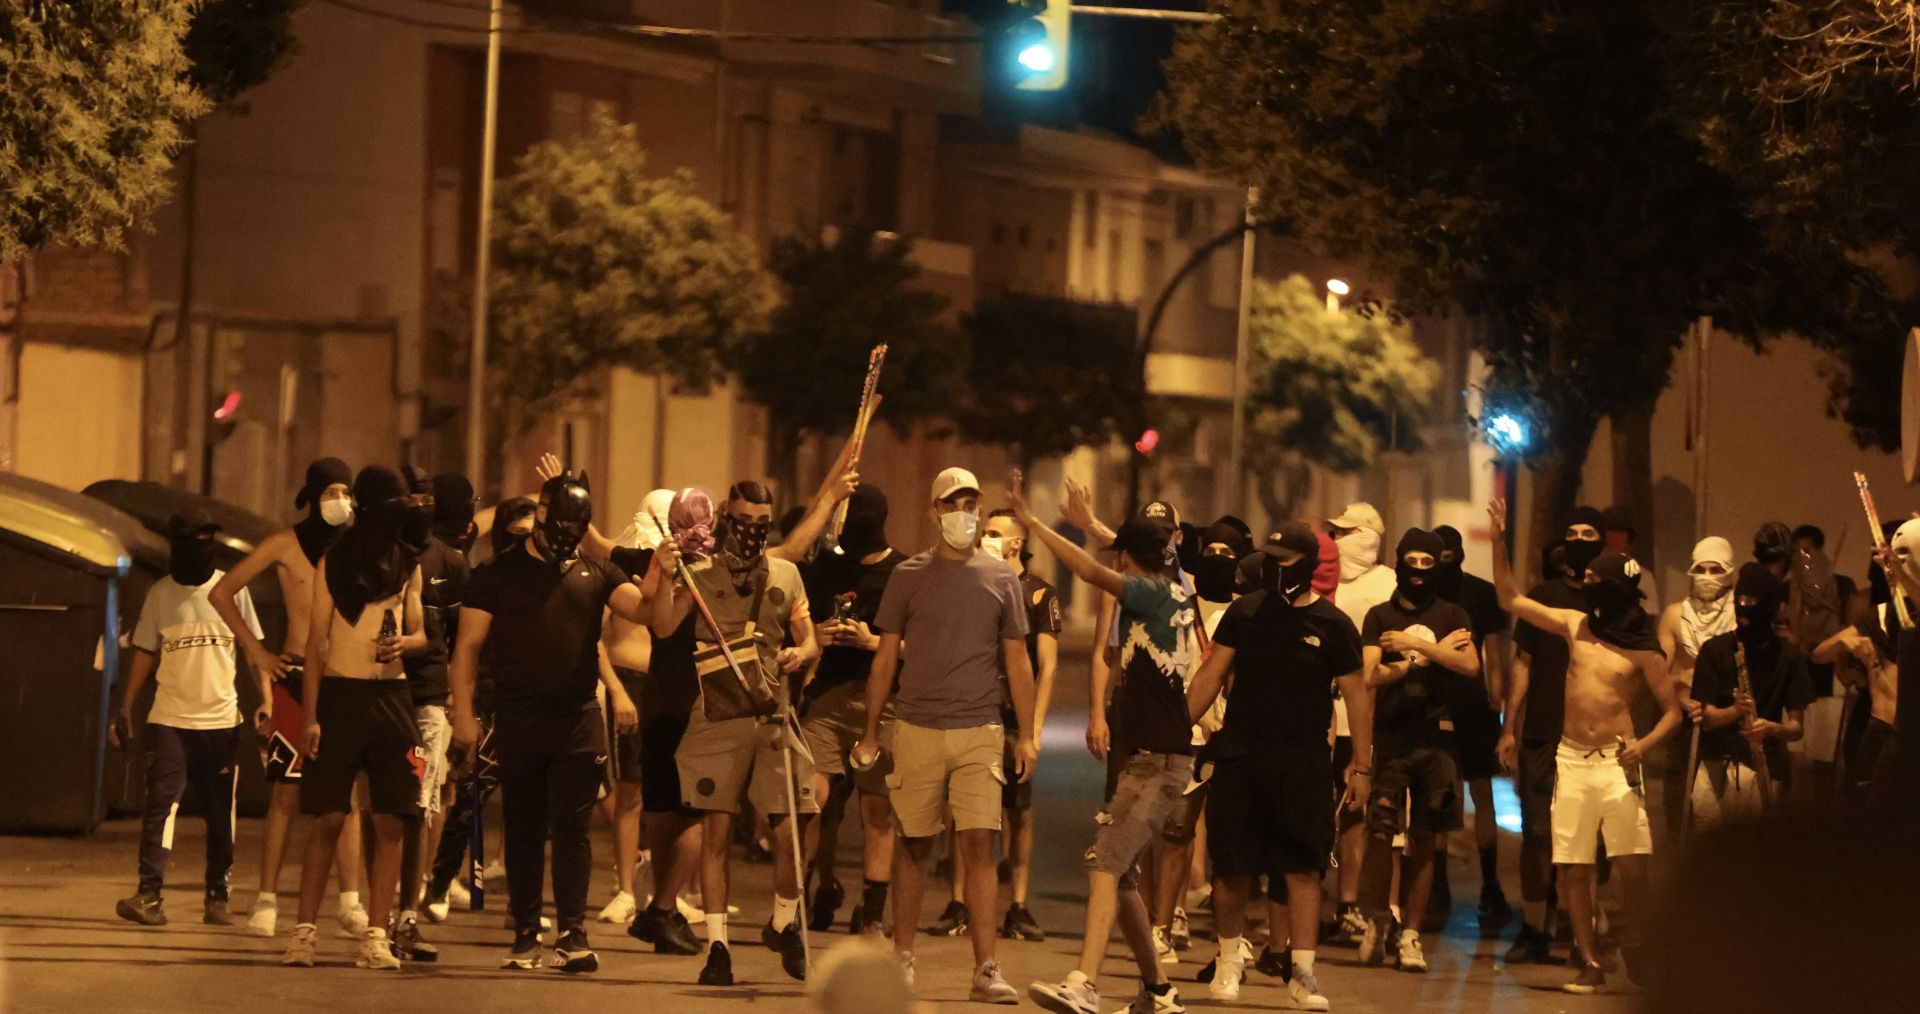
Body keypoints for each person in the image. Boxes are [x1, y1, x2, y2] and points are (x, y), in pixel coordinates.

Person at [449, 471, 653, 974]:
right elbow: (467, 651)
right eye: (562, 522)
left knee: (574, 827)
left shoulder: (596, 572)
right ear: (540, 515)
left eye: (579, 526)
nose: (569, 534)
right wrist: (464, 716)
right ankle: (524, 934)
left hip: (578, 718)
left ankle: (573, 934)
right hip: (519, 718)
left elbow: (648, 613)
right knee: (523, 827)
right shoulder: (496, 575)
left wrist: (663, 569)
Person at [850, 466, 1039, 1004]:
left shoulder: (1001, 577)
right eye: (954, 504)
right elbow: (886, 657)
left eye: (971, 504)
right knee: (914, 847)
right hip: (915, 727)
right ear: (935, 511)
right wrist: (870, 732)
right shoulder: (908, 576)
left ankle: (986, 968)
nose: (965, 514)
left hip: (979, 727)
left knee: (979, 844)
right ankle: (902, 958)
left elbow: (1018, 660)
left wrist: (1025, 734)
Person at [1488, 497, 1683, 995]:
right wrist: (1498, 537)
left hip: (1619, 764)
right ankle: (1590, 959)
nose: (1587, 590)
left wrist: (1645, 745)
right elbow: (1510, 597)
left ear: (1618, 591)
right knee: (1572, 865)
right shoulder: (1576, 626)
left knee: (1631, 867)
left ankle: (1635, 942)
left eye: (1597, 584)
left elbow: (1674, 712)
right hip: (1571, 758)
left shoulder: (1642, 648)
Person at [1016, 477, 1195, 1014]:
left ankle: (1085, 983)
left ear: (1127, 560)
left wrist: (1036, 523)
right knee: (1121, 877)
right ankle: (1159, 991)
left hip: (1157, 762)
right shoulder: (1174, 585)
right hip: (1150, 757)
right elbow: (1116, 550)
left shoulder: (1149, 592)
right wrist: (1094, 525)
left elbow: (1089, 568)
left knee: (1104, 862)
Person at [649, 479, 822, 986]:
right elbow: (662, 628)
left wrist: (802, 652)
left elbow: (808, 640)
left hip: (772, 715)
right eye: (741, 523)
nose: (750, 533)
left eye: (760, 526)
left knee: (793, 828)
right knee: (717, 833)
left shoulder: (787, 574)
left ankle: (784, 920)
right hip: (718, 718)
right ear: (726, 517)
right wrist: (662, 576)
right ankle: (719, 947)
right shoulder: (697, 572)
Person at [1194, 523, 1373, 1011]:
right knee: (1231, 868)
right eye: (1270, 558)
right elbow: (1212, 674)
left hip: (1303, 762)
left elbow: (1356, 697)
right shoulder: (1245, 612)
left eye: (1287, 559)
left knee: (1302, 869)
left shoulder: (1333, 625)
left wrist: (1362, 767)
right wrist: (1171, 733)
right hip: (1242, 754)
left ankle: (1304, 973)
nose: (1277, 568)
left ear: (1311, 564)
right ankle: (1230, 959)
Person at [210, 457, 367, 938]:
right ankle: (266, 899)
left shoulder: (357, 545)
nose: (340, 501)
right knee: (286, 792)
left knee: (347, 795)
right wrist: (257, 651)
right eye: (331, 492)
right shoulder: (285, 543)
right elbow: (223, 590)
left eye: (347, 491)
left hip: (344, 675)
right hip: (296, 675)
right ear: (314, 495)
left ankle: (350, 900)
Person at [281, 465, 427, 971]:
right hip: (341, 697)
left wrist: (405, 643)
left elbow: (421, 632)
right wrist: (310, 715)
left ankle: (377, 935)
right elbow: (317, 643)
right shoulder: (334, 561)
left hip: (392, 697)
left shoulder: (409, 561)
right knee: (328, 817)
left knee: (392, 820)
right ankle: (303, 933)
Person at [112, 510, 267, 927]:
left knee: (220, 813)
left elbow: (254, 653)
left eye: (207, 536)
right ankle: (149, 894)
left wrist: (267, 700)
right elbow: (145, 651)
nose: (201, 544)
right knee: (161, 806)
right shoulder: (161, 594)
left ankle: (218, 895)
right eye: (193, 537)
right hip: (170, 720)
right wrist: (126, 706)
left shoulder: (232, 591)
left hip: (221, 723)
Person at [1356, 529, 1481, 974]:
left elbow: (1469, 665)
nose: (1420, 573)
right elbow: (1369, 675)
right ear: (1400, 563)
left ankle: (1411, 934)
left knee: (1426, 841)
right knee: (1380, 835)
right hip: (1391, 737)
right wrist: (1425, 659)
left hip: (1439, 740)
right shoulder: (1378, 614)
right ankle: (1376, 917)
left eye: (1429, 564)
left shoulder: (1453, 613)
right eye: (1412, 563)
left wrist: (1413, 645)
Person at [1497, 507, 1603, 963]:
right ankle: (1536, 926)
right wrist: (1509, 727)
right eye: (1572, 533)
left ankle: (1584, 930)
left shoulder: (1614, 599)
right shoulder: (1546, 597)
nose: (1578, 541)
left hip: (1593, 739)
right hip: (1543, 734)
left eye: (1588, 534)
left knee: (1589, 841)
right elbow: (1523, 663)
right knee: (1538, 834)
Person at [799, 485, 904, 937]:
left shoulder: (904, 571)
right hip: (828, 697)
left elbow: (918, 644)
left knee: (876, 809)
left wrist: (873, 641)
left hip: (883, 703)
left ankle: (873, 913)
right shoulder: (827, 566)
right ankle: (795, 902)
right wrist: (816, 636)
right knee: (812, 800)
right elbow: (797, 611)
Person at [424, 495, 533, 919]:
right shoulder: (484, 577)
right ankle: (437, 885)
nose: (522, 542)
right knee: (468, 798)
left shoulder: (544, 579)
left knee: (529, 810)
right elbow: (465, 648)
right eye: (516, 533)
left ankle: (522, 907)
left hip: (527, 704)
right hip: (488, 701)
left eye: (531, 534)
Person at [387, 472, 475, 960]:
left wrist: (462, 704)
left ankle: (409, 911)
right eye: (410, 500)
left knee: (422, 803)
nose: (419, 507)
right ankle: (376, 910)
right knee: (384, 806)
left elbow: (465, 640)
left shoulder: (451, 563)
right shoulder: (381, 554)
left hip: (427, 700)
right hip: (378, 696)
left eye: (427, 500)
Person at [977, 507, 1060, 942]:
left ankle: (1018, 905)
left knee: (1018, 810)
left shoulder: (1039, 594)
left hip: (1014, 718)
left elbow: (1046, 666)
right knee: (968, 815)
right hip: (973, 710)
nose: (984, 538)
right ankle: (961, 902)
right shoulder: (973, 584)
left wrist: (1035, 728)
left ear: (1015, 543)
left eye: (993, 533)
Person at [595, 487, 675, 927]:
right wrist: (616, 691)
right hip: (630, 684)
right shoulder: (621, 566)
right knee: (629, 792)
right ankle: (626, 887)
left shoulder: (687, 569)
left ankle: (667, 890)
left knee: (671, 795)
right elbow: (598, 636)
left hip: (666, 686)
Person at [1684, 563, 1813, 827]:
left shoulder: (1789, 657)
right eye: (1739, 600)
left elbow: (1796, 728)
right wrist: (1736, 711)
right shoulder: (1715, 650)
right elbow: (1706, 718)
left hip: (1765, 767)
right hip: (1715, 764)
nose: (1743, 608)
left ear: (1768, 605)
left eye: (1751, 601)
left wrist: (1771, 728)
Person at [1431, 524, 1513, 938]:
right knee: (1448, 793)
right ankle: (1443, 883)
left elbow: (1496, 657)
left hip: (1471, 703)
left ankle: (1487, 882)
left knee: (1477, 793)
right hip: (1438, 703)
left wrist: (1498, 709)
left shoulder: (1477, 594)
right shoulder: (1428, 588)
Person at [1324, 502, 1394, 944]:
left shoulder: (1387, 584)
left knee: (1356, 813)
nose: (1337, 539)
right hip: (1318, 714)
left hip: (1363, 716)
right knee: (1314, 807)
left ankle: (1349, 904)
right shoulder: (1321, 579)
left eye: (1346, 531)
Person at [1654, 537, 1737, 841]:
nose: (1706, 576)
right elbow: (1661, 670)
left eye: (1715, 569)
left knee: (1727, 807)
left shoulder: (1740, 616)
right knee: (1678, 802)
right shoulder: (1675, 615)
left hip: (1729, 718)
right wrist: (1680, 696)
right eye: (1700, 569)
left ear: (1728, 572)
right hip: (1687, 720)